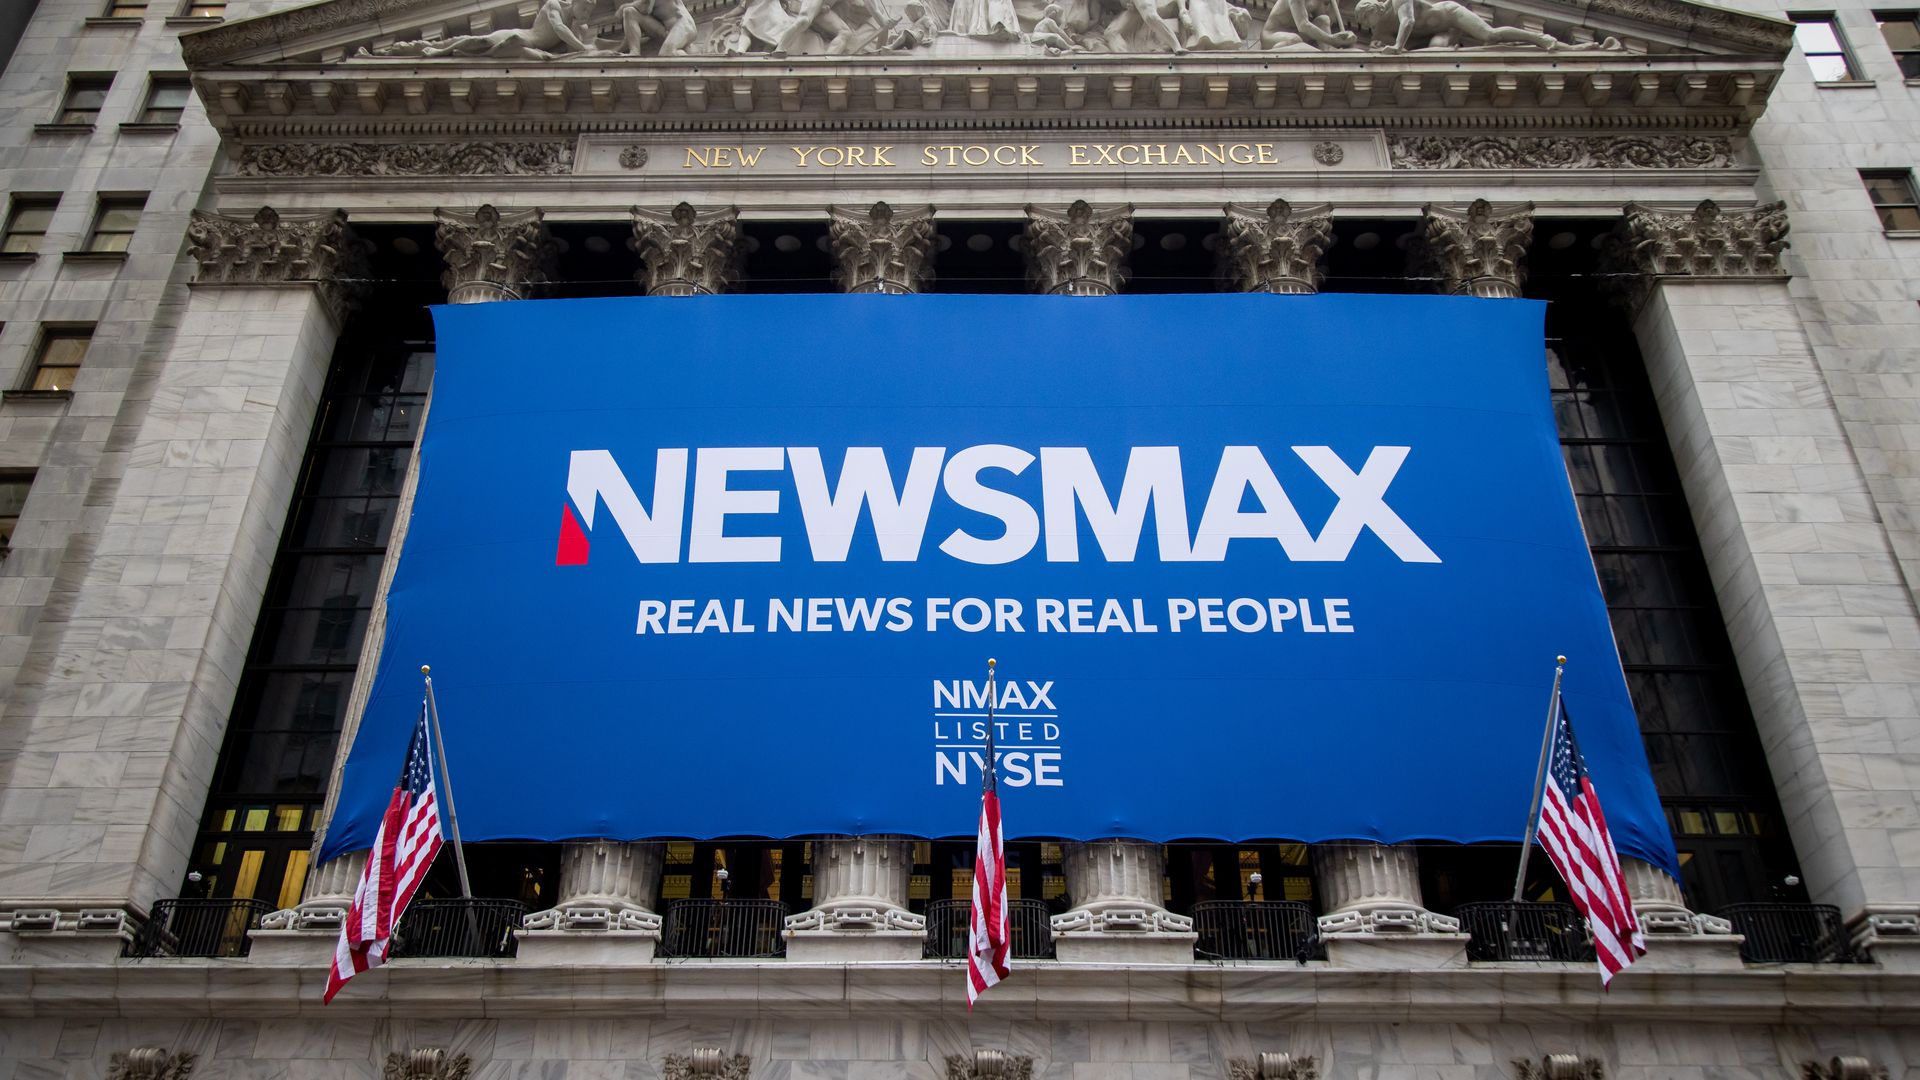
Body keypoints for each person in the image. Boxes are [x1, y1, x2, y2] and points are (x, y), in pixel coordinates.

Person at [365, 0, 601, 58]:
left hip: (528, 49)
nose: (588, 15)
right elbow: (559, 30)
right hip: (519, 37)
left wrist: (582, 35)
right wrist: (584, 49)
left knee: (475, 47)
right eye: (587, 9)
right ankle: (437, 53)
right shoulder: (555, 5)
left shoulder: (580, 24)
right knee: (474, 42)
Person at [1353, 0, 1567, 50]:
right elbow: (1382, 50)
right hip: (1438, 36)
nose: (1366, 26)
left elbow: (1408, 21)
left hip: (1451, 16)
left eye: (1365, 21)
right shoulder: (1380, 29)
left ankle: (1540, 39)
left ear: (1373, 10)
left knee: (1490, 35)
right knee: (1435, 51)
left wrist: (1397, 47)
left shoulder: (1397, 1)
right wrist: (1378, 47)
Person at [1256, 0, 1354, 49]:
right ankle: (1277, 51)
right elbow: (1303, 25)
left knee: (1323, 19)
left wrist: (1343, 38)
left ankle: (1328, 55)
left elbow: (1326, 23)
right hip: (1272, 34)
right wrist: (1332, 40)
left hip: (1298, 33)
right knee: (1294, 39)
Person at [619, 0, 700, 54]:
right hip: (666, 30)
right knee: (629, 12)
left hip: (683, 24)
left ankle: (693, 65)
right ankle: (634, 53)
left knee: (666, 53)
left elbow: (645, 7)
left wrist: (622, 7)